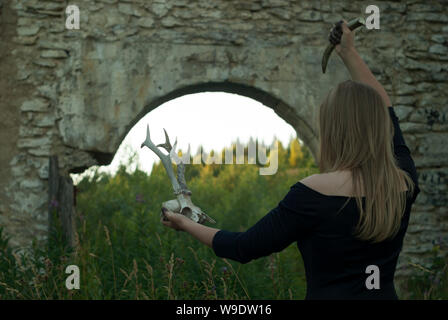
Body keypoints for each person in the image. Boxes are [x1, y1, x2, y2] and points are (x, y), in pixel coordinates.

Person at [160, 20, 420, 300]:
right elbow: (387, 109)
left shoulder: (311, 193)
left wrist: (186, 224)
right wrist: (348, 53)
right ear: (379, 126)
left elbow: (243, 247)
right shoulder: (403, 183)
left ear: (333, 129)